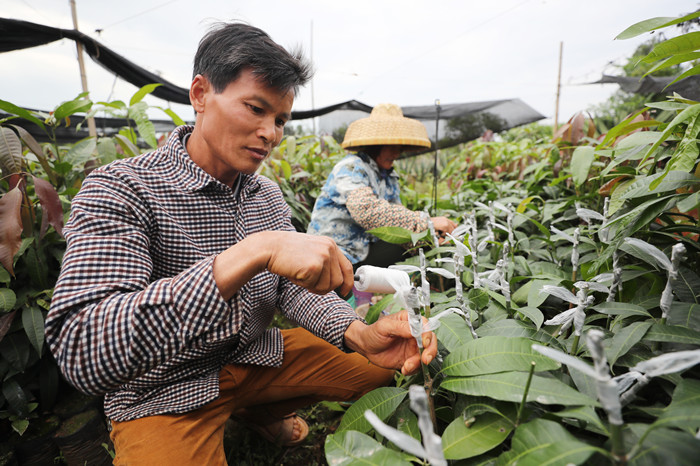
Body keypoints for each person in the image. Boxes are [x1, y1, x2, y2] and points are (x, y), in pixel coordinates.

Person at [45, 22, 437, 465]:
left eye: (280, 120)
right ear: (200, 94)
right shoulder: (123, 189)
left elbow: (291, 287)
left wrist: (358, 332)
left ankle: (256, 409)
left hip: (257, 355)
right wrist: (249, 253)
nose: (270, 133)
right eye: (255, 109)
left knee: (376, 365)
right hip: (163, 389)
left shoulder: (264, 194)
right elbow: (83, 349)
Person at [308, 103, 457, 269]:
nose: (397, 153)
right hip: (333, 254)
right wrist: (426, 223)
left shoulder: (388, 176)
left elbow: (398, 224)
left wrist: (430, 236)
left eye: (400, 147)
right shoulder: (351, 167)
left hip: (362, 251)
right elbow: (366, 210)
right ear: (376, 144)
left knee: (422, 245)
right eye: (392, 146)